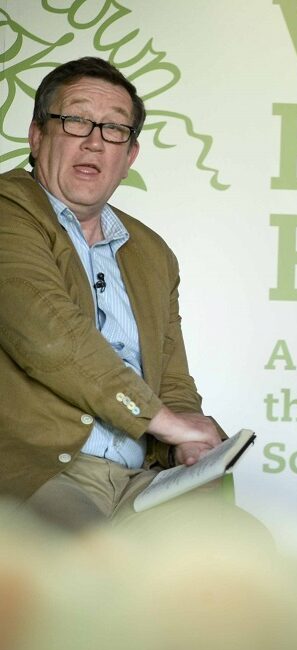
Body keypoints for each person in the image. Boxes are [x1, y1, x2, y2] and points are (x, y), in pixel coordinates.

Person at [0, 57, 225, 529]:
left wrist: (193, 441)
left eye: (115, 129)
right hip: (38, 470)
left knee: (243, 552)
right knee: (94, 566)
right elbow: (50, 336)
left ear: (131, 156)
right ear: (37, 135)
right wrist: (164, 421)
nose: (95, 142)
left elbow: (173, 382)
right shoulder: (9, 210)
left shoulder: (152, 252)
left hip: (139, 478)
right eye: (76, 120)